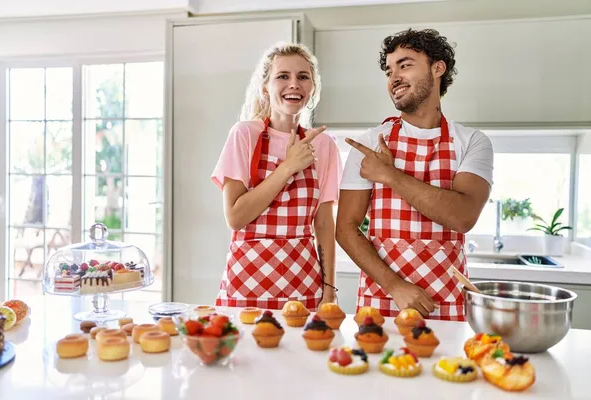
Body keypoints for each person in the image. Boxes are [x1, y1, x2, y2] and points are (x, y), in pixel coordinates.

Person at [336, 29, 494, 321]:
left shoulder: (472, 141)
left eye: (405, 65)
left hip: (444, 300)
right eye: (389, 71)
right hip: (382, 299)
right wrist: (394, 285)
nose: (393, 77)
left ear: (437, 68)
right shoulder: (370, 142)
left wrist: (390, 175)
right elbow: (345, 228)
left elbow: (463, 216)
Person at [211, 42, 342, 311]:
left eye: (303, 77)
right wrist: (288, 167)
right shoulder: (245, 135)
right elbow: (236, 217)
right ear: (265, 88)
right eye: (283, 76)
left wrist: (329, 289)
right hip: (248, 282)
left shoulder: (323, 145)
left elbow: (324, 223)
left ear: (312, 88)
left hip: (304, 283)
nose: (294, 84)